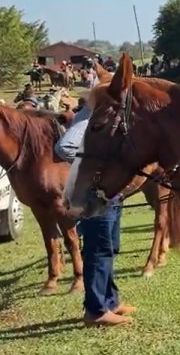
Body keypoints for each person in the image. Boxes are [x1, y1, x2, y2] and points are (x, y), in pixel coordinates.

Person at [54, 78, 134, 326]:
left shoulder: (105, 118)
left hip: (107, 194)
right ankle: (96, 310)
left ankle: (111, 301)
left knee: (109, 248)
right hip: (92, 195)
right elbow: (64, 147)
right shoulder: (89, 121)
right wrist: (95, 166)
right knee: (97, 251)